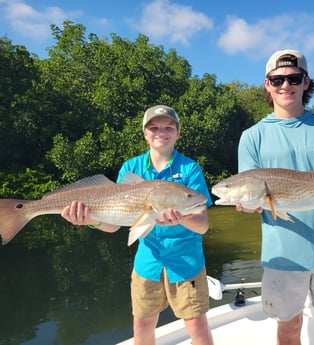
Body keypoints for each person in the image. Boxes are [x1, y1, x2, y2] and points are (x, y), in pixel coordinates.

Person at [237, 49, 314, 345]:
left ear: (306, 82)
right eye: (277, 79)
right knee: (289, 330)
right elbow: (249, 194)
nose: (285, 85)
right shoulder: (251, 136)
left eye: (294, 78)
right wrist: (247, 205)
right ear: (267, 84)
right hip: (282, 255)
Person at [61, 105, 214, 345]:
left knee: (196, 322)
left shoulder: (190, 169)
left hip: (186, 261)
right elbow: (113, 225)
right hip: (147, 261)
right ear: (145, 133)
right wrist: (90, 220)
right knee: (142, 323)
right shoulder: (130, 169)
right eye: (154, 127)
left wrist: (182, 216)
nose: (161, 132)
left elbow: (203, 225)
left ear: (177, 133)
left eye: (168, 127)